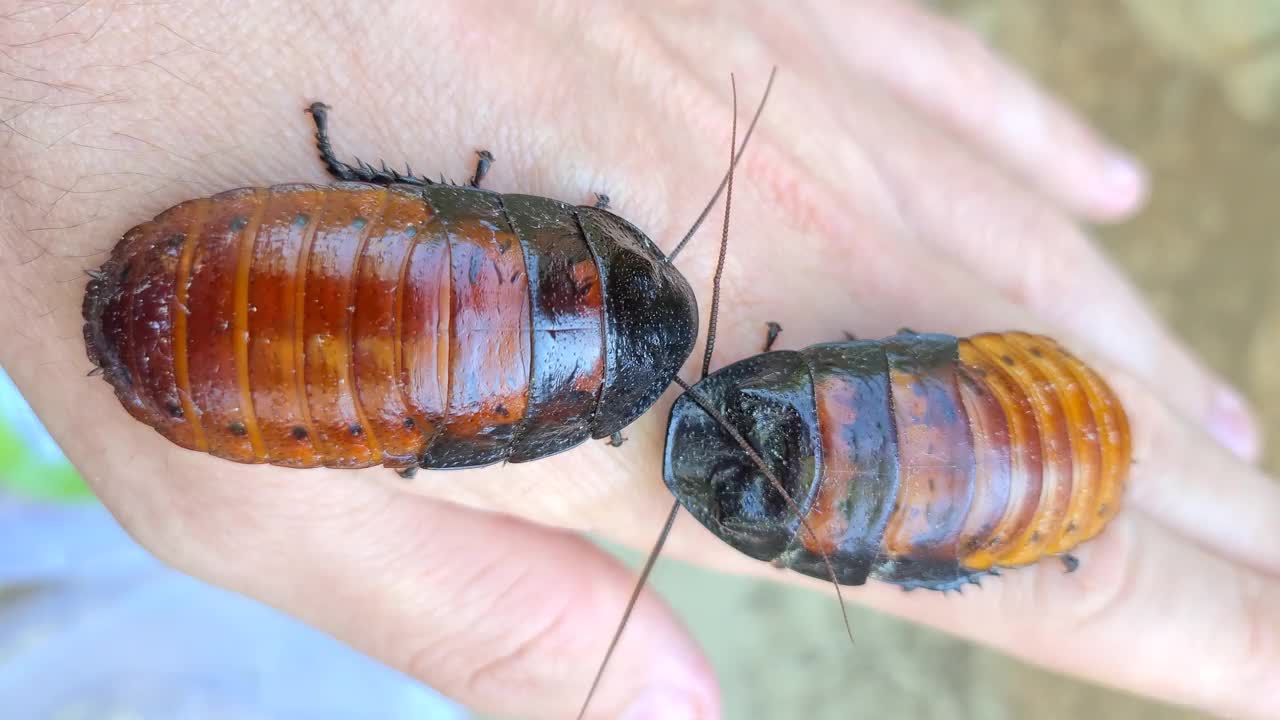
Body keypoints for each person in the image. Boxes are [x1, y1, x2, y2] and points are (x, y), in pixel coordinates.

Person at [1, 2, 1274, 718]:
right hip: (225, 361)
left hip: (281, 298)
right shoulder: (513, 398)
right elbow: (445, 427)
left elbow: (451, 247)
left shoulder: (500, 256)